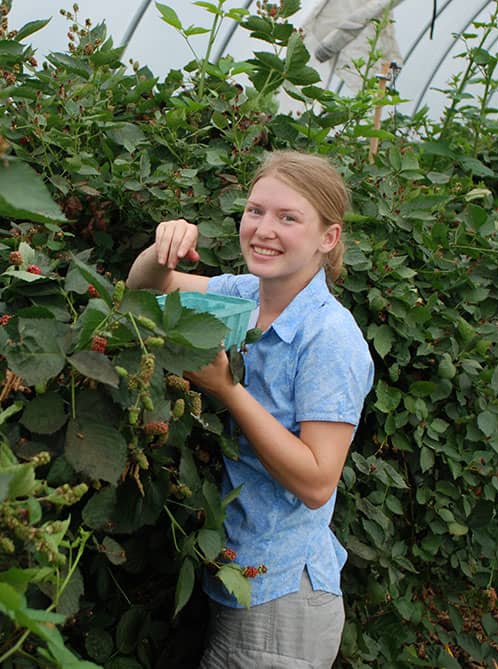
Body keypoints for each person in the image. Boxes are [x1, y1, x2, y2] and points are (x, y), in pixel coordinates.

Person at [127, 150, 374, 668]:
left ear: (328, 238)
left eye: (289, 218)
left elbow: (316, 481)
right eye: (256, 210)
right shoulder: (243, 294)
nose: (264, 229)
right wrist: (162, 249)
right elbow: (146, 292)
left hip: (281, 599)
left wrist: (228, 390)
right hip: (240, 577)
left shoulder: (330, 338)